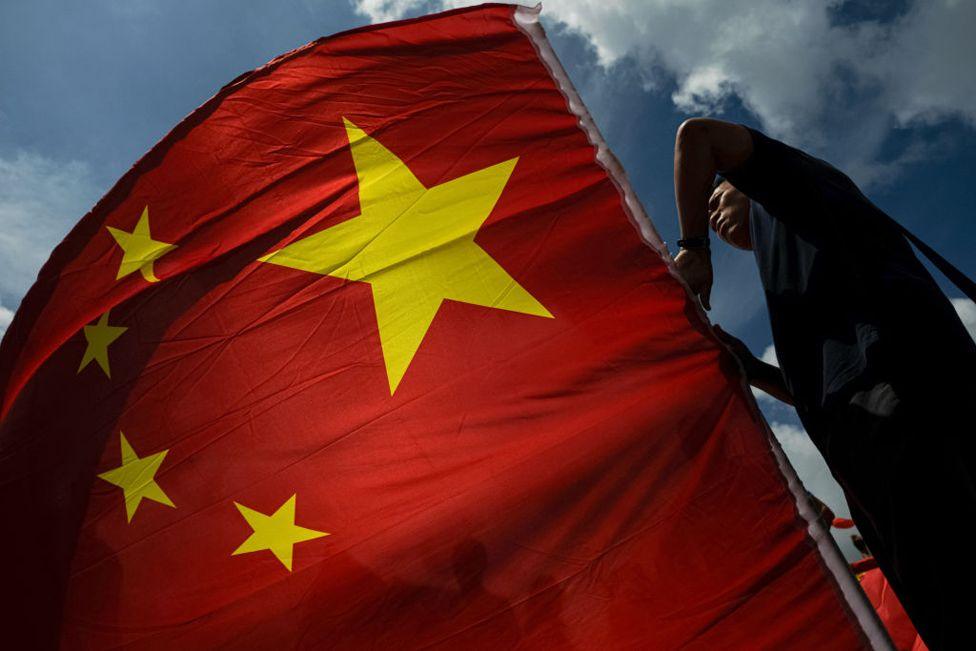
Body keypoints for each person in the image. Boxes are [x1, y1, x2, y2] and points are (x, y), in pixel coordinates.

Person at [671, 117, 976, 650]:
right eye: (710, 205)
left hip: (910, 408)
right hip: (861, 442)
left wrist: (694, 246)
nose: (715, 210)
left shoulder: (794, 185)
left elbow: (697, 136)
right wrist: (755, 371)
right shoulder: (791, 267)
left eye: (720, 194)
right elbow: (826, 390)